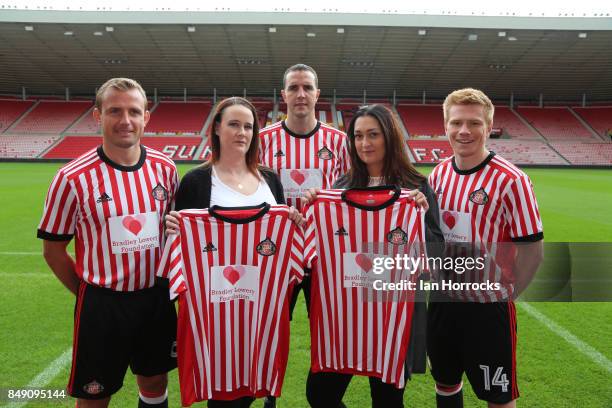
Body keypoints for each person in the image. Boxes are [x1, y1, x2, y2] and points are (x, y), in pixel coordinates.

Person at [37, 78, 178, 408]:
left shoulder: (166, 169)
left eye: (134, 111)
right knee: (95, 393)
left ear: (147, 117)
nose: (125, 120)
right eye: (115, 110)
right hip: (102, 305)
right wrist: (89, 293)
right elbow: (53, 249)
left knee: (155, 379)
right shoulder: (72, 177)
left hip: (155, 297)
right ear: (98, 116)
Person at [301, 104, 444, 408]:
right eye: (358, 136)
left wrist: (422, 214)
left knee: (387, 401)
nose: (364, 143)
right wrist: (313, 206)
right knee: (320, 394)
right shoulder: (339, 188)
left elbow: (435, 256)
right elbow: (314, 251)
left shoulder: (416, 187)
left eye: (373, 135)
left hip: (394, 313)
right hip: (346, 313)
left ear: (389, 137)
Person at [164, 96, 301, 408]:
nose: (242, 132)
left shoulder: (270, 179)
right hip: (217, 312)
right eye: (234, 124)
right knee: (225, 395)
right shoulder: (196, 181)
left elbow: (280, 242)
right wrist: (173, 226)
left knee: (254, 383)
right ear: (216, 127)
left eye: (249, 126)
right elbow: (181, 247)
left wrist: (291, 220)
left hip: (261, 310)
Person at [427, 88, 544, 408]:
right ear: (446, 126)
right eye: (456, 122)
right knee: (445, 383)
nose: (464, 131)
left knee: (498, 395)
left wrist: (507, 292)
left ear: (489, 126)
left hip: (487, 311)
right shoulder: (438, 174)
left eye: (474, 123)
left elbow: (533, 250)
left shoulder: (512, 180)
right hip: (443, 304)